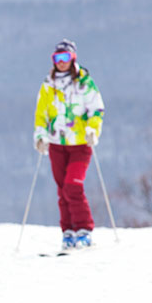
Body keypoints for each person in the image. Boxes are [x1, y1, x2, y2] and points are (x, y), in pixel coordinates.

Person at [33, 38, 105, 249]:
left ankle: (84, 228)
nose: (61, 62)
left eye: (65, 57)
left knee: (73, 184)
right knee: (62, 188)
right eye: (57, 58)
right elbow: (41, 114)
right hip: (57, 143)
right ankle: (68, 231)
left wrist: (93, 129)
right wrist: (40, 135)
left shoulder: (84, 83)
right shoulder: (48, 85)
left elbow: (97, 109)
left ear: (72, 58)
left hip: (80, 143)